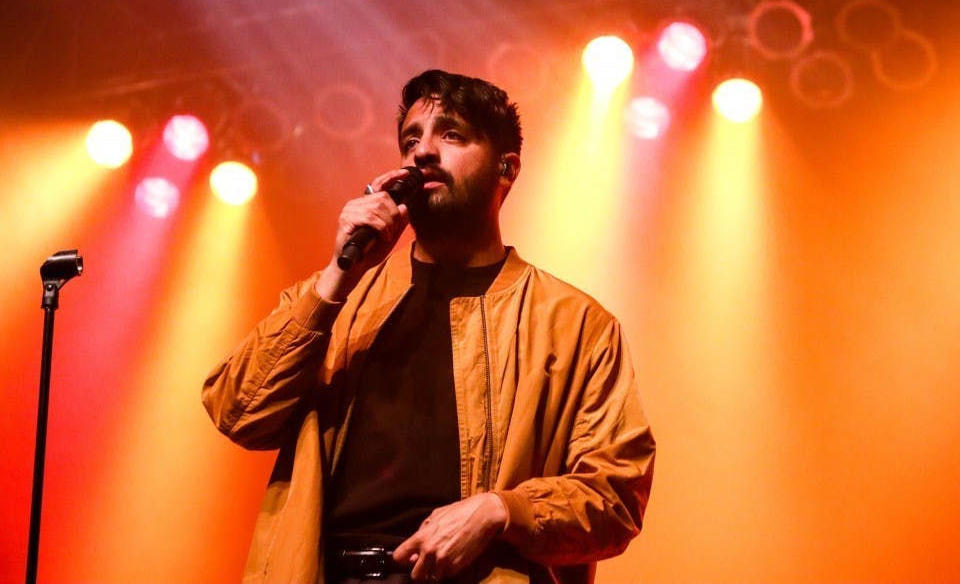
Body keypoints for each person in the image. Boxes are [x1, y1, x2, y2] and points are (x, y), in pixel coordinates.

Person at [202, 70, 656, 584]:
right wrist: (337, 276)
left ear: (506, 170)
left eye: (452, 135)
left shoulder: (577, 325)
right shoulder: (340, 297)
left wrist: (500, 511)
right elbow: (237, 411)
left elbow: (616, 496)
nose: (422, 152)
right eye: (411, 139)